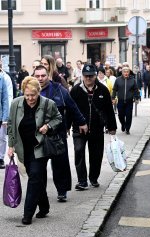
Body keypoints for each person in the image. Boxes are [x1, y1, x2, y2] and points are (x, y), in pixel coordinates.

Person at [7, 76, 62, 225]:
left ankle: (27, 214)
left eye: (33, 95)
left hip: (39, 147)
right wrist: (11, 146)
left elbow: (58, 118)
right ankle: (44, 206)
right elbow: (11, 125)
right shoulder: (15, 104)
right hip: (23, 148)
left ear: (39, 92)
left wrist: (48, 126)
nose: (30, 98)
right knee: (36, 178)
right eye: (27, 95)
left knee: (34, 178)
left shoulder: (48, 104)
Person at [34, 65, 88, 201]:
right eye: (37, 76)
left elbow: (72, 107)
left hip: (57, 134)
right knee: (38, 167)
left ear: (48, 75)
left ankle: (62, 191)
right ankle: (40, 194)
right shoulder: (31, 90)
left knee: (60, 164)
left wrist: (82, 122)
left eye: (43, 76)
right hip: (38, 135)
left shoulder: (59, 90)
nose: (40, 78)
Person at [70, 64, 117, 190]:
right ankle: (82, 181)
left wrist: (112, 127)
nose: (88, 78)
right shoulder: (75, 90)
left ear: (95, 76)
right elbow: (70, 110)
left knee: (96, 155)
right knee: (79, 152)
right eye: (86, 76)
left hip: (97, 128)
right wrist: (66, 126)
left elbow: (109, 110)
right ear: (82, 76)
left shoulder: (103, 90)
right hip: (79, 128)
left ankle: (93, 178)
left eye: (91, 75)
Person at [112, 67, 140, 135]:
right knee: (120, 115)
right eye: (124, 72)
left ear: (129, 72)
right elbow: (114, 89)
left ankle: (127, 129)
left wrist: (137, 98)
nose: (126, 73)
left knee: (128, 115)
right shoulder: (118, 80)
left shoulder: (133, 80)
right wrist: (113, 98)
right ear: (122, 72)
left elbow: (136, 90)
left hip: (129, 101)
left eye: (127, 72)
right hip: (120, 101)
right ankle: (123, 124)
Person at [0, 60, 12, 169]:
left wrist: (6, 116)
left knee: (2, 137)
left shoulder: (3, 78)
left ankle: (0, 158)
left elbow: (6, 98)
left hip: (1, 114)